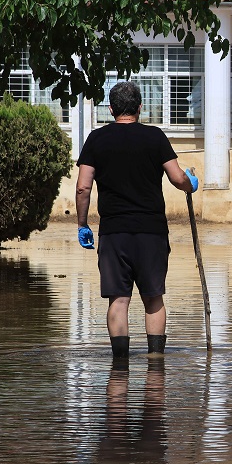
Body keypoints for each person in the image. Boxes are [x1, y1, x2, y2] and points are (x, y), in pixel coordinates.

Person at [75, 81, 198, 362]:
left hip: (114, 233)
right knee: (153, 297)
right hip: (151, 233)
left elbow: (83, 188)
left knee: (118, 299)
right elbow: (177, 178)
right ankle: (156, 363)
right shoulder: (155, 137)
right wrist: (190, 185)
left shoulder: (96, 139)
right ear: (140, 108)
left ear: (111, 109)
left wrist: (83, 224)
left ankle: (119, 366)